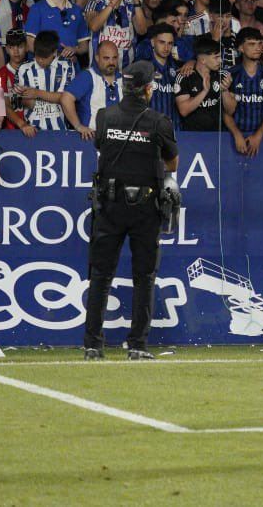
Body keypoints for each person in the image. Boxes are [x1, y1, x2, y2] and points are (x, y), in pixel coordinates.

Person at [84, 60, 179, 361]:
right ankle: (137, 345)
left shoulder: (104, 116)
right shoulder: (159, 122)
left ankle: (92, 346)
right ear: (148, 88)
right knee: (144, 276)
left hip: (110, 205)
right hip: (144, 208)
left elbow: (101, 146)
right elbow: (172, 163)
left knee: (100, 275)